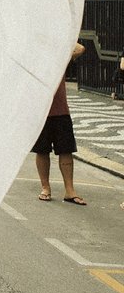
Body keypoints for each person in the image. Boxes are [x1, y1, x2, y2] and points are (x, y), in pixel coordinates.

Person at [33, 42, 87, 205]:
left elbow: (80, 48)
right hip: (41, 111)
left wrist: (60, 35)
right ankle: (45, 187)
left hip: (61, 110)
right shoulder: (33, 61)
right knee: (42, 150)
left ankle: (70, 190)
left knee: (66, 150)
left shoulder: (60, 57)